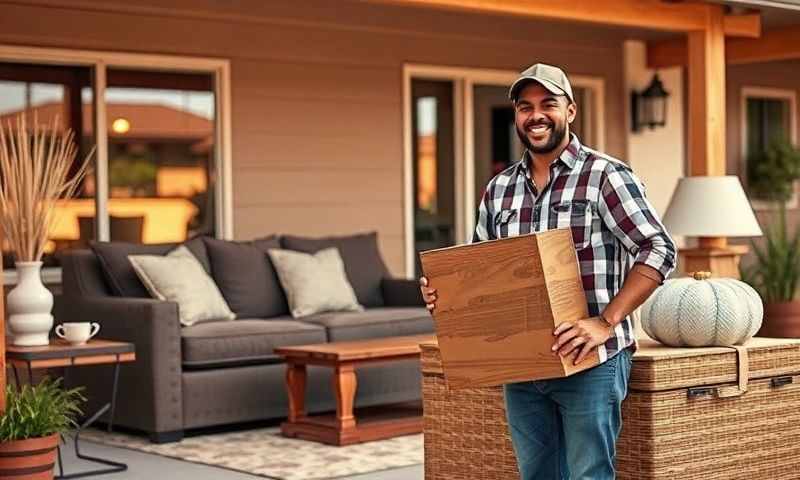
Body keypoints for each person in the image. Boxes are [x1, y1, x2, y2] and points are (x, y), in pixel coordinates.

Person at [418, 63, 676, 480]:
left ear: (570, 111)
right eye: (525, 106)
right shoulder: (499, 189)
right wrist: (443, 295)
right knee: (536, 474)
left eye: (548, 104)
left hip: (591, 361)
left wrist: (605, 322)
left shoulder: (605, 176)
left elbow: (659, 249)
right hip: (522, 365)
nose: (535, 115)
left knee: (589, 475)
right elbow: (478, 274)